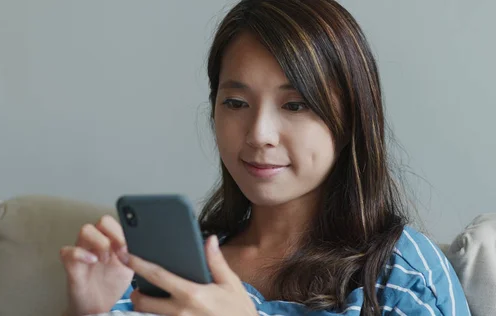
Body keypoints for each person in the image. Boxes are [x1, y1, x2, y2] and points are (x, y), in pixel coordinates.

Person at [60, 0, 470, 315]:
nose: (258, 134)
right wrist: (90, 310)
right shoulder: (173, 267)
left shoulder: (400, 274)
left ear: (349, 119)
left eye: (295, 106)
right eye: (236, 102)